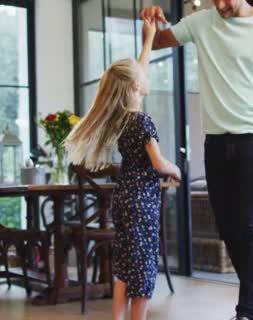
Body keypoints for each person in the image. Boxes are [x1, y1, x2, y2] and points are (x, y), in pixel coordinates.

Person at [141, 1, 253, 319]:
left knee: (250, 224)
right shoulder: (201, 22)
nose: (221, 4)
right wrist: (152, 18)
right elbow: (158, 41)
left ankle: (248, 309)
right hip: (215, 141)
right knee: (227, 227)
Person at [65, 17, 181, 320]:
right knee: (142, 270)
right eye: (142, 75)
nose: (147, 76)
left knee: (126, 267)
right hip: (142, 203)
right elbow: (158, 163)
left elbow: (135, 71)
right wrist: (176, 169)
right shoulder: (141, 121)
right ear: (135, 85)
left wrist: (148, 39)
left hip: (125, 200)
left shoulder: (121, 120)